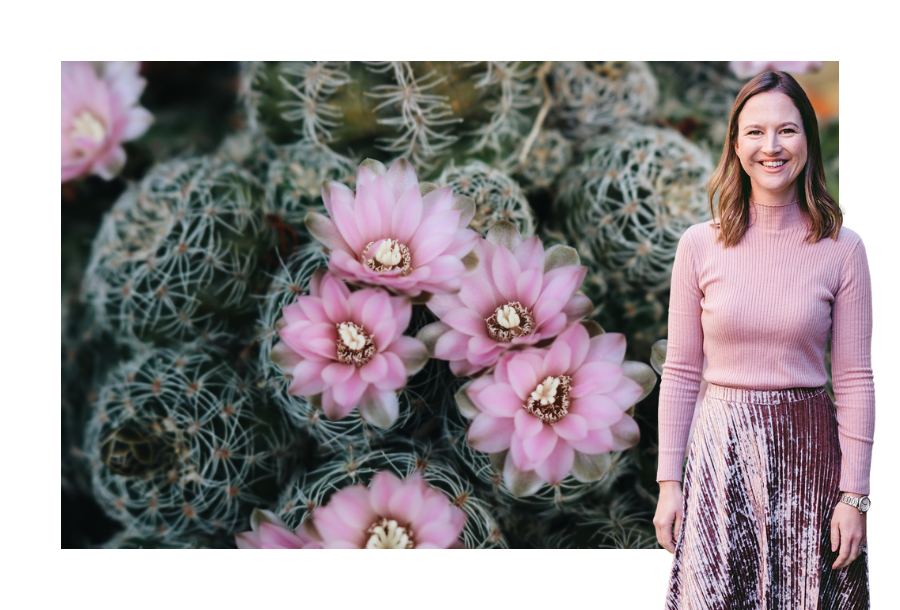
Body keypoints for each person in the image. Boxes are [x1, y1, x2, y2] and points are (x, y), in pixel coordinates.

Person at [653, 70, 873, 609]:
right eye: (755, 132)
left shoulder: (843, 249)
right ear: (734, 143)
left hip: (809, 460)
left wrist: (855, 497)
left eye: (787, 131)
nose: (771, 147)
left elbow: (853, 378)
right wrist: (668, 484)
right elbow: (681, 371)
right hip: (718, 460)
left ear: (808, 143)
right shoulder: (698, 245)